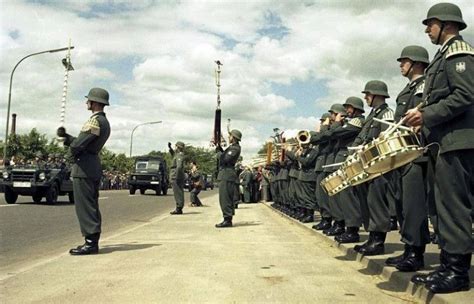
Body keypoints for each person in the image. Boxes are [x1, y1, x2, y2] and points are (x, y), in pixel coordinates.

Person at [404, 2, 473, 293]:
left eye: (430, 23)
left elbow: (466, 94)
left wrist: (427, 115)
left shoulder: (459, 53)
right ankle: (447, 266)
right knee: (443, 207)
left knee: (454, 207)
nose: (426, 29)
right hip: (443, 142)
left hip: (458, 141)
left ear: (446, 24)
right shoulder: (441, 57)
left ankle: (457, 273)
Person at [384, 45, 431, 272]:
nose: (401, 65)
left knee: (414, 205)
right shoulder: (405, 90)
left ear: (417, 63)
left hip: (418, 152)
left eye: (404, 61)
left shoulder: (426, 84)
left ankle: (416, 252)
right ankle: (408, 248)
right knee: (403, 203)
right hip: (403, 153)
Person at [57, 87, 111, 255]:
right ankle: (91, 241)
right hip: (90, 165)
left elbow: (81, 144)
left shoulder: (95, 121)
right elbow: (84, 141)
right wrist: (67, 138)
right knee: (90, 205)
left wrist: (69, 154)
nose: (87, 102)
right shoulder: (102, 121)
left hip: (84, 168)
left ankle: (90, 243)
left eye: (89, 100)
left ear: (94, 102)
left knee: (85, 207)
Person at [352, 80, 395, 256]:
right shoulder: (372, 115)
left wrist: (369, 146)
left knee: (377, 202)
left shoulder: (387, 113)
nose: (365, 97)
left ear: (377, 94)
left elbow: (386, 137)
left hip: (379, 165)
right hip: (367, 165)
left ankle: (378, 241)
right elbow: (362, 137)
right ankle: (371, 237)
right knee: (368, 201)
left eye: (368, 94)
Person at [215, 129, 242, 228]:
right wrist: (220, 148)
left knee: (225, 198)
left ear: (234, 137)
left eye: (230, 136)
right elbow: (225, 155)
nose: (228, 137)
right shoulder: (232, 147)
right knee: (224, 197)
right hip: (225, 173)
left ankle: (227, 219)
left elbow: (226, 159)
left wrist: (218, 153)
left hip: (227, 174)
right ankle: (227, 218)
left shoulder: (235, 148)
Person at [169, 141, 185, 214]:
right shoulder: (177, 154)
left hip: (176, 176)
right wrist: (170, 148)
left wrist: (177, 177)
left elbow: (179, 167)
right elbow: (173, 154)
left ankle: (179, 208)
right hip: (176, 175)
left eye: (176, 146)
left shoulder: (179, 155)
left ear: (178, 147)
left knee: (178, 192)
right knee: (178, 192)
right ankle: (178, 207)